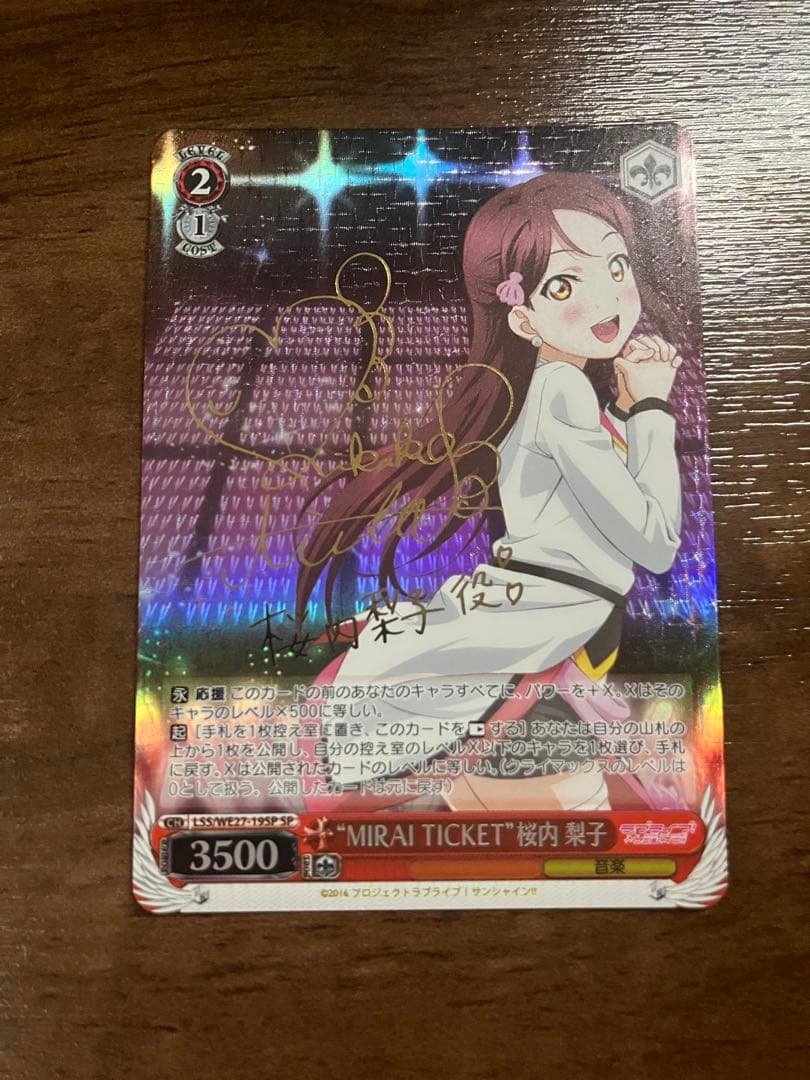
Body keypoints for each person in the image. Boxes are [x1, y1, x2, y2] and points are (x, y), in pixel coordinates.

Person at [295, 173, 682, 812]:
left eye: (617, 266)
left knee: (539, 802)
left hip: (554, 622)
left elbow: (606, 508)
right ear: (523, 318)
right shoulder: (560, 391)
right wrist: (653, 409)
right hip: (543, 622)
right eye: (565, 285)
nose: (609, 298)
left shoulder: (564, 390)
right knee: (564, 806)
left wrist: (628, 407)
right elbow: (657, 543)